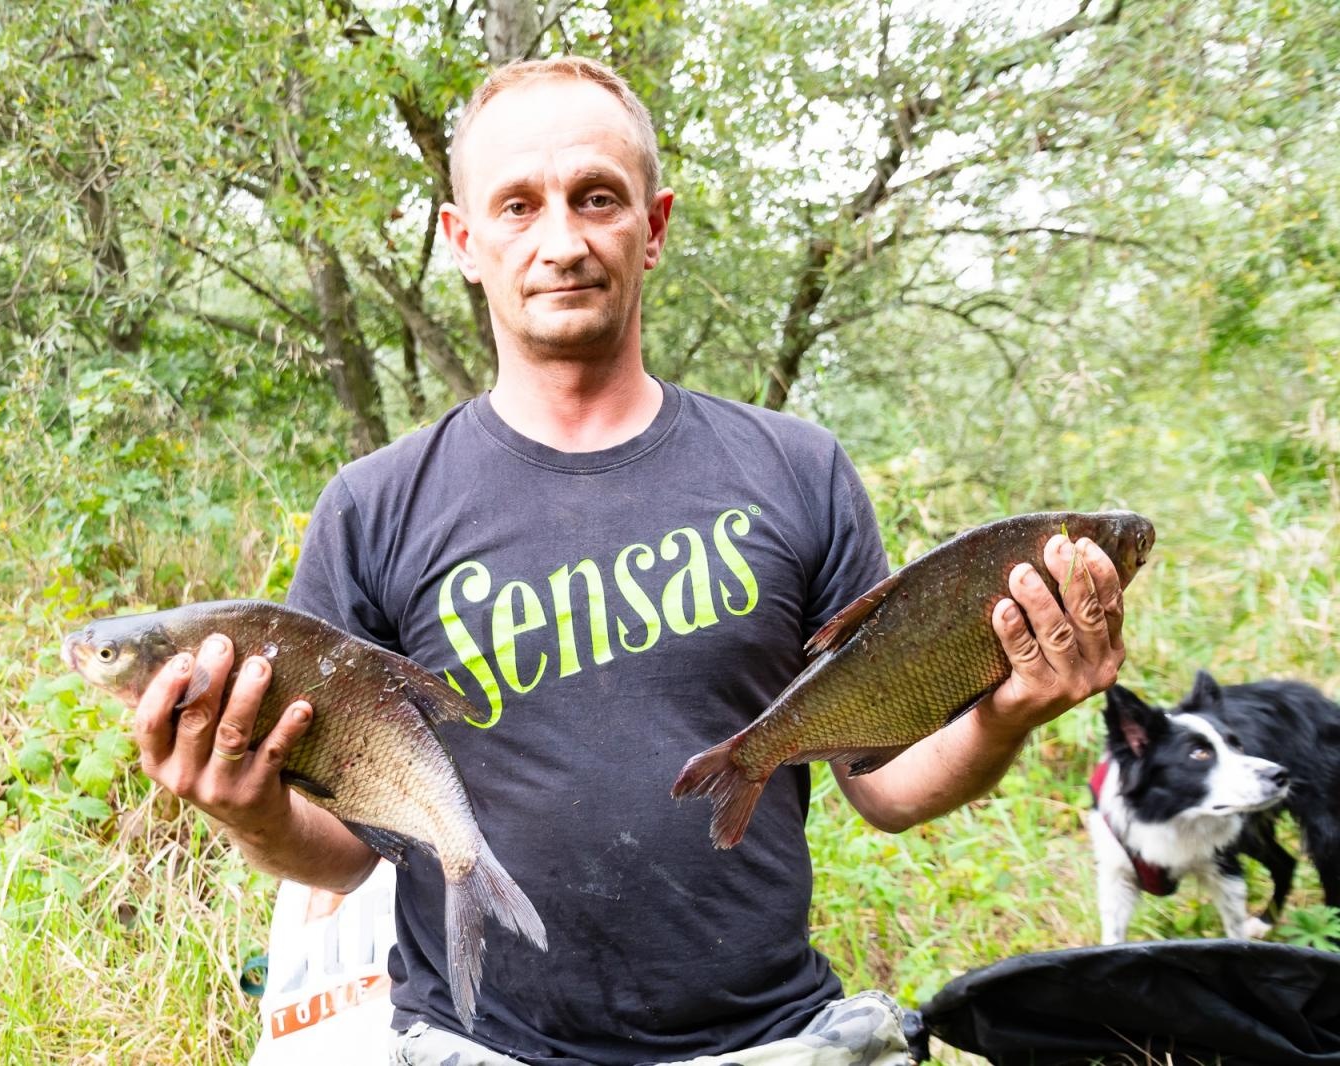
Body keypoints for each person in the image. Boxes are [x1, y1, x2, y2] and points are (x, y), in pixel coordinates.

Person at [130, 56, 1130, 1066]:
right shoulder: (374, 508)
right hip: (477, 1047)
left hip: (770, 1043)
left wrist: (1007, 710)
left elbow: (887, 787)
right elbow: (347, 853)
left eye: (596, 197)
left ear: (652, 227)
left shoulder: (795, 469)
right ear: (463, 241)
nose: (561, 240)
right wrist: (250, 811)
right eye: (518, 206)